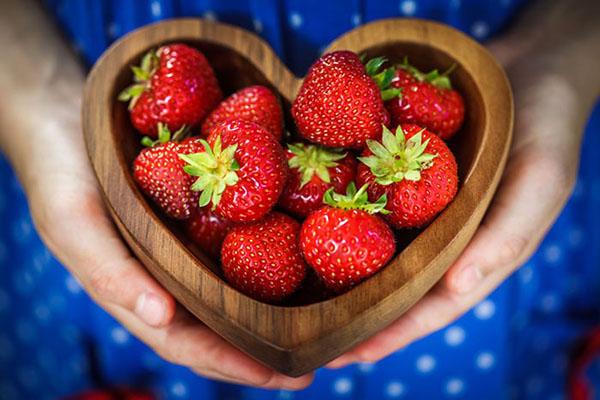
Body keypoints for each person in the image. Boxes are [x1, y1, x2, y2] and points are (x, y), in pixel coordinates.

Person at [0, 0, 598, 399]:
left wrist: (565, 54)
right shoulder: (236, 169)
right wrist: (33, 92)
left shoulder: (327, 168)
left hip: (494, 198)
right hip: (93, 130)